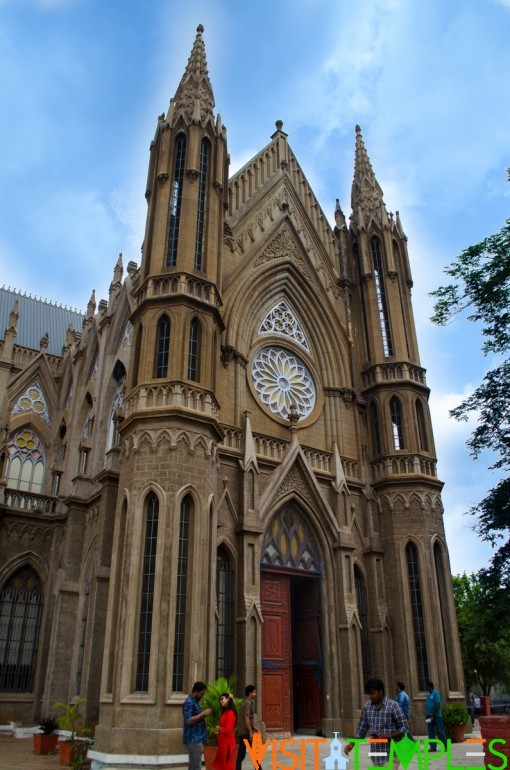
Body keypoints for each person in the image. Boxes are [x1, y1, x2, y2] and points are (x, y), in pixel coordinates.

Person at [344, 678, 407, 766]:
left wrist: (389, 736)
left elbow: (404, 727)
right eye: (369, 693)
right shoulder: (367, 707)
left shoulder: (393, 706)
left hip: (392, 755)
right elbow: (362, 729)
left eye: (373, 693)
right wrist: (351, 744)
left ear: (380, 691)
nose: (371, 696)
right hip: (376, 755)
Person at [183, 681, 213, 770]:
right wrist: (203, 714)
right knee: (196, 766)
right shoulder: (189, 702)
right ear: (195, 691)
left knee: (194, 765)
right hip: (193, 738)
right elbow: (188, 720)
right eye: (201, 694)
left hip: (197, 738)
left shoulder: (195, 701)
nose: (202, 696)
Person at [235, 685, 259, 770]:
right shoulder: (248, 703)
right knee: (254, 753)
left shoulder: (245, 702)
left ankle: (237, 768)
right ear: (250, 693)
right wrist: (250, 731)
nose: (255, 694)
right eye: (254, 692)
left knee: (241, 753)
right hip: (246, 732)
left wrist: (254, 727)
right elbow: (246, 717)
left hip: (242, 732)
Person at [213, 693, 238, 770]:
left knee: (226, 765)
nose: (220, 701)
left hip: (227, 744)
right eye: (220, 699)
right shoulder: (225, 712)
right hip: (223, 743)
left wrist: (220, 729)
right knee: (222, 765)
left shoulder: (230, 713)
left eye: (222, 699)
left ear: (228, 699)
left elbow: (228, 730)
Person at [425, 680, 447, 750]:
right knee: (430, 730)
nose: (426, 687)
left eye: (427, 685)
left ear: (430, 686)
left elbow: (437, 704)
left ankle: (445, 746)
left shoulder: (436, 693)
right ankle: (432, 746)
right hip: (428, 716)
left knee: (440, 730)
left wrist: (432, 713)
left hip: (436, 715)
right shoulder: (428, 694)